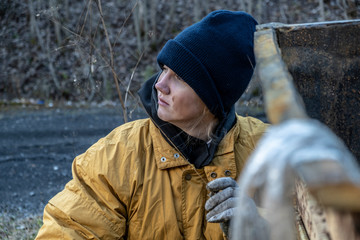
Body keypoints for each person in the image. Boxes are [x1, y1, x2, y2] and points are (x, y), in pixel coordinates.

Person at [36, 10, 268, 239]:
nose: (160, 85)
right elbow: (67, 230)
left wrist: (260, 230)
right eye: (165, 70)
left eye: (180, 77)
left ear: (213, 97)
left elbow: (301, 226)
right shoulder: (119, 154)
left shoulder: (267, 152)